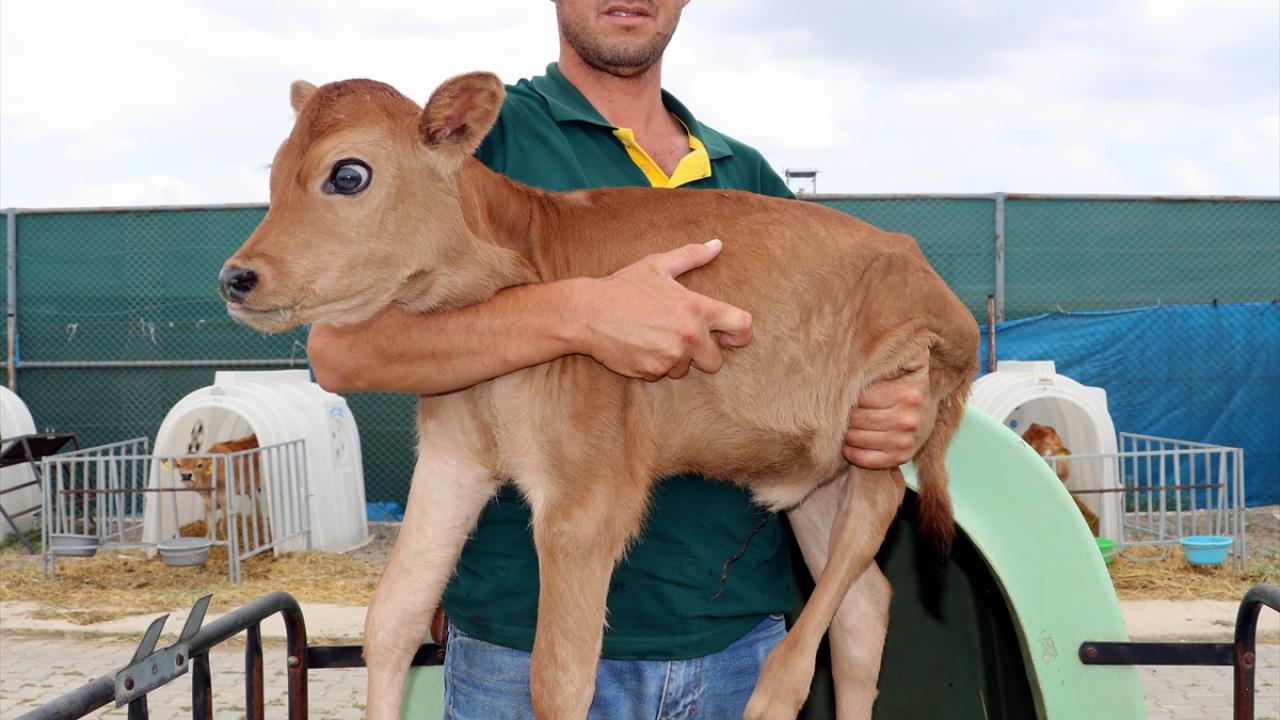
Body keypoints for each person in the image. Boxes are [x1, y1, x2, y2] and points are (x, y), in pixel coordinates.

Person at [307, 0, 935, 716]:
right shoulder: (479, 142)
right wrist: (580, 312)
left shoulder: (746, 177)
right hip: (520, 655)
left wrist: (893, 414)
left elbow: (823, 378)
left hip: (737, 651)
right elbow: (342, 351)